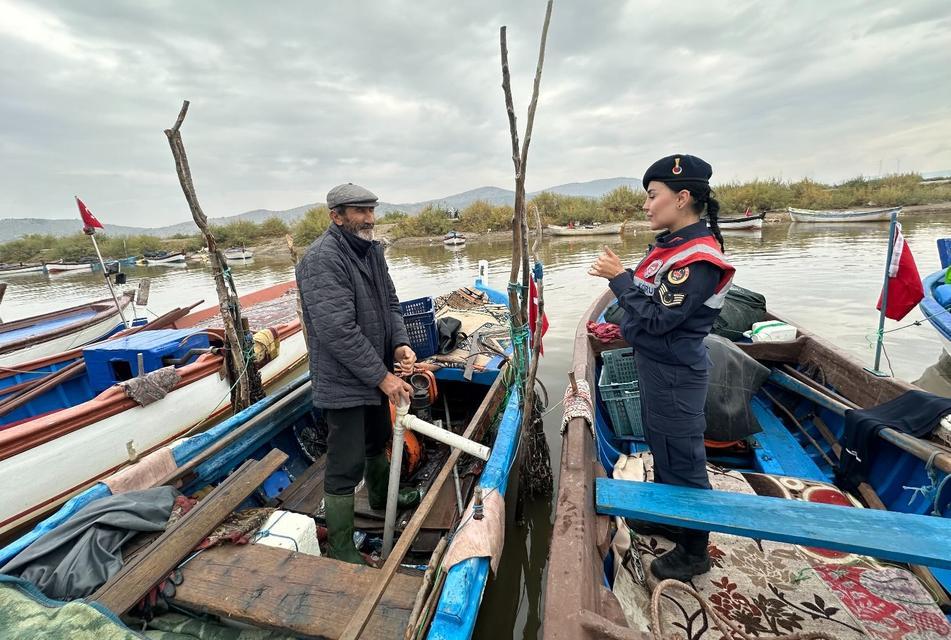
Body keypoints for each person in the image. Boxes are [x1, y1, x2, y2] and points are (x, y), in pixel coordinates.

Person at [588, 154, 735, 582]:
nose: (647, 206)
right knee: (663, 447)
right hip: (656, 367)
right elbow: (645, 309)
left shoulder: (698, 258)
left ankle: (694, 550)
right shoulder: (669, 246)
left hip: (675, 373)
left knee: (683, 459)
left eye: (653, 197)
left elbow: (655, 319)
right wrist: (630, 302)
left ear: (682, 197)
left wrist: (619, 279)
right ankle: (674, 519)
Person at [296, 182, 421, 564]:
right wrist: (383, 378)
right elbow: (337, 330)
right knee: (345, 463)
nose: (368, 217)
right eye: (359, 211)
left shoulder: (372, 252)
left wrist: (399, 343)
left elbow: (391, 303)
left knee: (378, 437)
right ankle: (341, 546)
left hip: (373, 372)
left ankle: (384, 495)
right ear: (336, 216)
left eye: (371, 209)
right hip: (343, 381)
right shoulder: (322, 259)